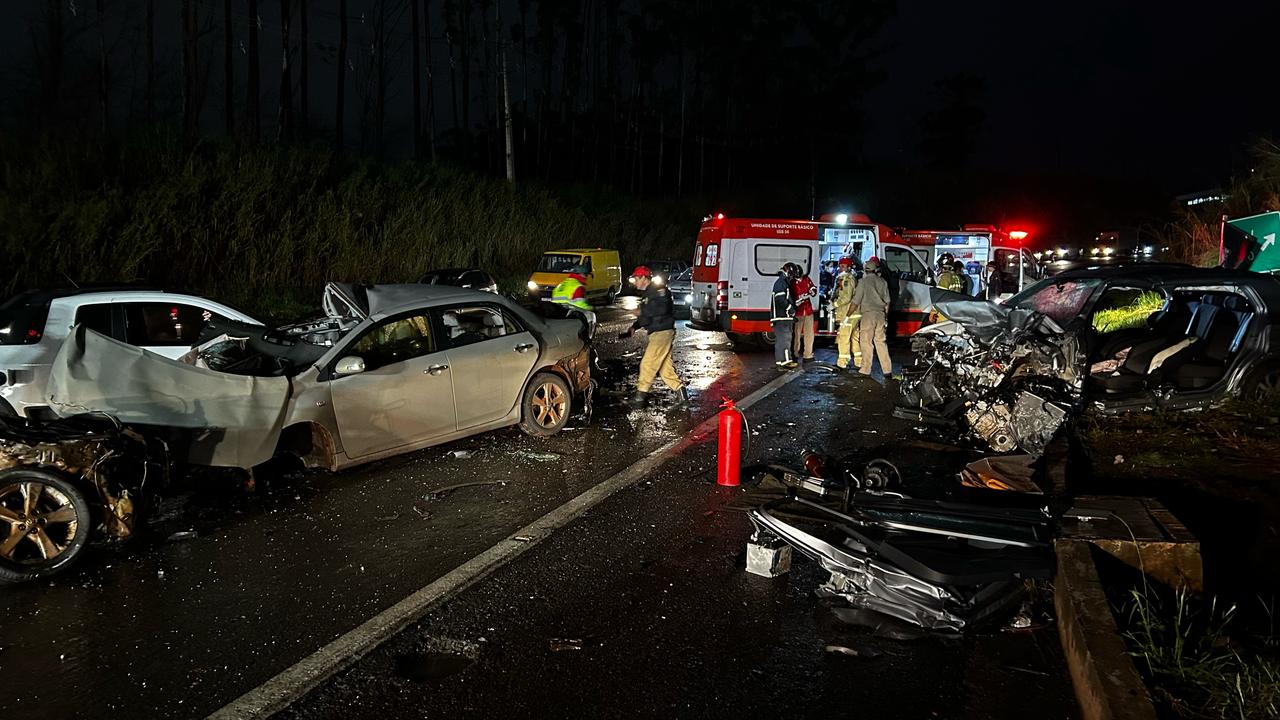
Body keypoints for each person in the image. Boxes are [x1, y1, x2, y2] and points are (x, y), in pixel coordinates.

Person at [621, 266, 687, 407]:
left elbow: (661, 309)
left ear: (644, 278)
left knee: (648, 363)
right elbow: (646, 315)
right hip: (656, 332)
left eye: (636, 278)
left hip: (662, 332)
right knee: (665, 369)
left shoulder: (659, 291)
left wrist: (641, 311)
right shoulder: (647, 295)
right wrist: (635, 327)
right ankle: (682, 394)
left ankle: (639, 397)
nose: (635, 282)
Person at [851, 256, 893, 380]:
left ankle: (865, 369)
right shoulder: (882, 282)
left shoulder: (863, 282)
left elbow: (855, 301)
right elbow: (888, 302)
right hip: (880, 315)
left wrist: (848, 315)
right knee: (881, 342)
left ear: (865, 270)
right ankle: (887, 370)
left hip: (868, 315)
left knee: (866, 342)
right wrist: (885, 316)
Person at [832, 257, 861, 369]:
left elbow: (846, 297)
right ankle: (859, 361)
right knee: (854, 338)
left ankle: (842, 362)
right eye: (840, 265)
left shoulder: (846, 279)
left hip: (848, 314)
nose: (840, 268)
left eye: (843, 266)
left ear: (848, 267)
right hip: (854, 313)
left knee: (843, 337)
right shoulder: (849, 278)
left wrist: (834, 304)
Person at [771, 263, 799, 369]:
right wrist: (790, 310)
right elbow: (780, 299)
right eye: (792, 274)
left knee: (782, 340)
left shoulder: (782, 282)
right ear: (788, 272)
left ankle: (781, 361)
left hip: (781, 317)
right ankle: (785, 361)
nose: (792, 277)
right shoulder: (782, 283)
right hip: (782, 317)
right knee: (785, 339)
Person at [792, 267, 818, 363]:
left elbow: (813, 287)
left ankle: (808, 354)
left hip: (807, 310)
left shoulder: (806, 279)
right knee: (796, 335)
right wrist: (797, 300)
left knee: (809, 334)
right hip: (798, 311)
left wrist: (812, 291)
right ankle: (795, 354)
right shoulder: (792, 282)